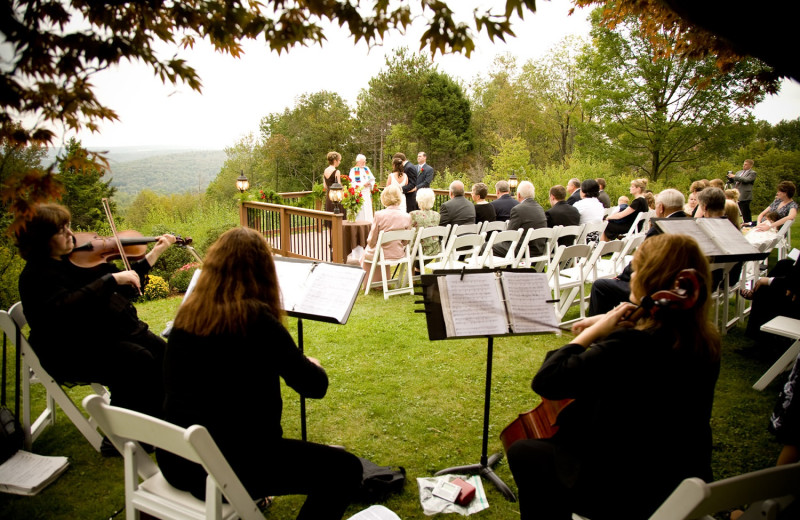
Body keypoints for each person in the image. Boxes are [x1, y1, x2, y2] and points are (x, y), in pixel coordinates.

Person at [507, 233, 720, 520]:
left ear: (647, 280)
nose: (631, 275)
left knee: (524, 452)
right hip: (680, 473)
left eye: (636, 269)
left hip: (629, 487)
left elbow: (548, 380)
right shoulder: (703, 339)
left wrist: (594, 332)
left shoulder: (633, 346)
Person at [157, 227, 362, 519]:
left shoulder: (188, 315)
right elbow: (315, 387)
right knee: (344, 469)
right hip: (226, 467)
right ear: (263, 271)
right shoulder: (255, 319)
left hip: (178, 462)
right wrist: (310, 363)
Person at [16, 203, 175, 447]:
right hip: (69, 350)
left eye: (68, 226)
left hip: (100, 335)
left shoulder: (72, 261)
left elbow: (122, 286)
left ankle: (160, 420)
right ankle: (120, 438)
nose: (71, 235)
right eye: (61, 231)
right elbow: (64, 308)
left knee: (162, 352)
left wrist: (153, 254)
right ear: (41, 240)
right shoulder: (36, 275)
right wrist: (110, 279)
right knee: (137, 359)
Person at [588, 189, 686, 316]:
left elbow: (641, 259)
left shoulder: (660, 229)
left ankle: (600, 330)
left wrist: (621, 277)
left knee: (600, 286)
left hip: (655, 286)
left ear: (661, 207)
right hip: (679, 284)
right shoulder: (690, 223)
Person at [360, 184, 412, 286]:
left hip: (382, 254)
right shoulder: (407, 216)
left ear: (384, 198)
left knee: (368, 251)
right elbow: (406, 241)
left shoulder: (379, 215)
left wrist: (370, 244)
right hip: (399, 253)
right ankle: (382, 282)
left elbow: (371, 241)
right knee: (375, 250)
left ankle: (371, 283)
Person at [493, 180, 547, 258]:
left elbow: (509, 235)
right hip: (538, 249)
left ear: (518, 195)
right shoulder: (540, 208)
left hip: (522, 250)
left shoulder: (518, 209)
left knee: (487, 246)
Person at [410, 188, 441, 257]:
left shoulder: (413, 215)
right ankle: (417, 268)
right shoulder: (437, 215)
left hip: (418, 251)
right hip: (434, 250)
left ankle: (413, 267)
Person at [349, 154, 376, 222]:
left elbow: (372, 179)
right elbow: (352, 183)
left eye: (365, 161)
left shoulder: (367, 169)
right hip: (360, 193)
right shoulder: (353, 170)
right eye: (362, 162)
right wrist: (363, 185)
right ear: (357, 162)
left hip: (367, 193)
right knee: (361, 211)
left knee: (368, 210)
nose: (364, 163)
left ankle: (369, 223)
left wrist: (370, 183)